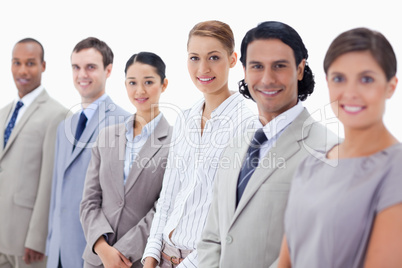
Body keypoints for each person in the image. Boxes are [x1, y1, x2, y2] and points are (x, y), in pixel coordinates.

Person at [197, 21, 338, 268]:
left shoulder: (329, 151)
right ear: (244, 70)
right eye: (257, 66)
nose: (267, 78)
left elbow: (317, 250)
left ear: (300, 69)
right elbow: (212, 237)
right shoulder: (237, 144)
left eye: (279, 66)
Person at [278, 28, 402, 268]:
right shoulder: (312, 164)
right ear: (327, 83)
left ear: (391, 86)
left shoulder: (396, 170)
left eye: (366, 79)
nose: (351, 93)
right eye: (339, 78)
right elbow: (287, 257)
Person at [142, 20, 255, 268]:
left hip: (205, 262)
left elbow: (235, 213)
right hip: (162, 256)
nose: (203, 68)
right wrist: (151, 253)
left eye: (213, 57)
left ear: (233, 59)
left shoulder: (248, 125)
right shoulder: (185, 118)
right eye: (194, 58)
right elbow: (169, 194)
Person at [80, 51, 173, 268]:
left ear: (164, 84)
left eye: (148, 82)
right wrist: (102, 248)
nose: (139, 90)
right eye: (132, 82)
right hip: (96, 259)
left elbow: (164, 208)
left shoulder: (175, 142)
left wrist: (122, 253)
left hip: (138, 260)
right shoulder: (106, 136)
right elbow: (89, 201)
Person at [46, 37, 130, 268]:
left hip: (96, 249)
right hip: (59, 250)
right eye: (76, 67)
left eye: (91, 67)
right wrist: (50, 243)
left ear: (108, 70)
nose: (82, 74)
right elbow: (57, 190)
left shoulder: (124, 123)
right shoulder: (64, 126)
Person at [0, 38, 67, 268]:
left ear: (43, 66)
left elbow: (50, 181)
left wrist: (38, 238)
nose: (22, 70)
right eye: (17, 63)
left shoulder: (57, 115)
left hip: (27, 241)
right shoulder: (3, 113)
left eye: (30, 63)